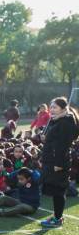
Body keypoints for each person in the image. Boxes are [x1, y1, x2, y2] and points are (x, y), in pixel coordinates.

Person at [40, 97, 79, 228]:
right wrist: (45, 137)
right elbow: (54, 139)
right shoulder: (56, 120)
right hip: (51, 159)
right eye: (51, 107)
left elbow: (63, 145)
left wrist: (59, 164)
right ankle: (57, 215)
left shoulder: (66, 122)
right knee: (55, 189)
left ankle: (57, 218)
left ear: (63, 108)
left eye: (55, 107)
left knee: (58, 190)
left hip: (59, 161)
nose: (51, 110)